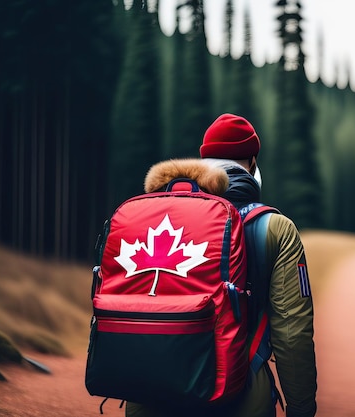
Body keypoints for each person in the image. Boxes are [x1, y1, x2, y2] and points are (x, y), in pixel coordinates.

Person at [125, 113, 317, 417]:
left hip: (152, 393)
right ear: (252, 162)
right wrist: (302, 408)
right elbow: (293, 333)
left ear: (204, 161)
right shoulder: (275, 228)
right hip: (239, 396)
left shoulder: (152, 217)